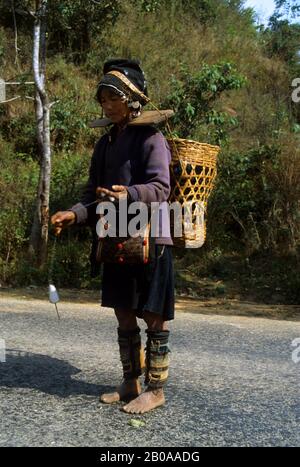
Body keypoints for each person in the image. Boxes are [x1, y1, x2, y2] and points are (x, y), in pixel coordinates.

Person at [51, 59, 175, 414]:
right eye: (102, 98)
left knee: (153, 316)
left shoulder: (152, 139)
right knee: (123, 312)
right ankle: (130, 380)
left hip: (152, 239)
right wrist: (74, 213)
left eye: (112, 97)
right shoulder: (105, 144)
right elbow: (94, 193)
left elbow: (161, 188)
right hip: (116, 238)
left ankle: (155, 389)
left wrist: (130, 195)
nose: (105, 104)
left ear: (132, 100)